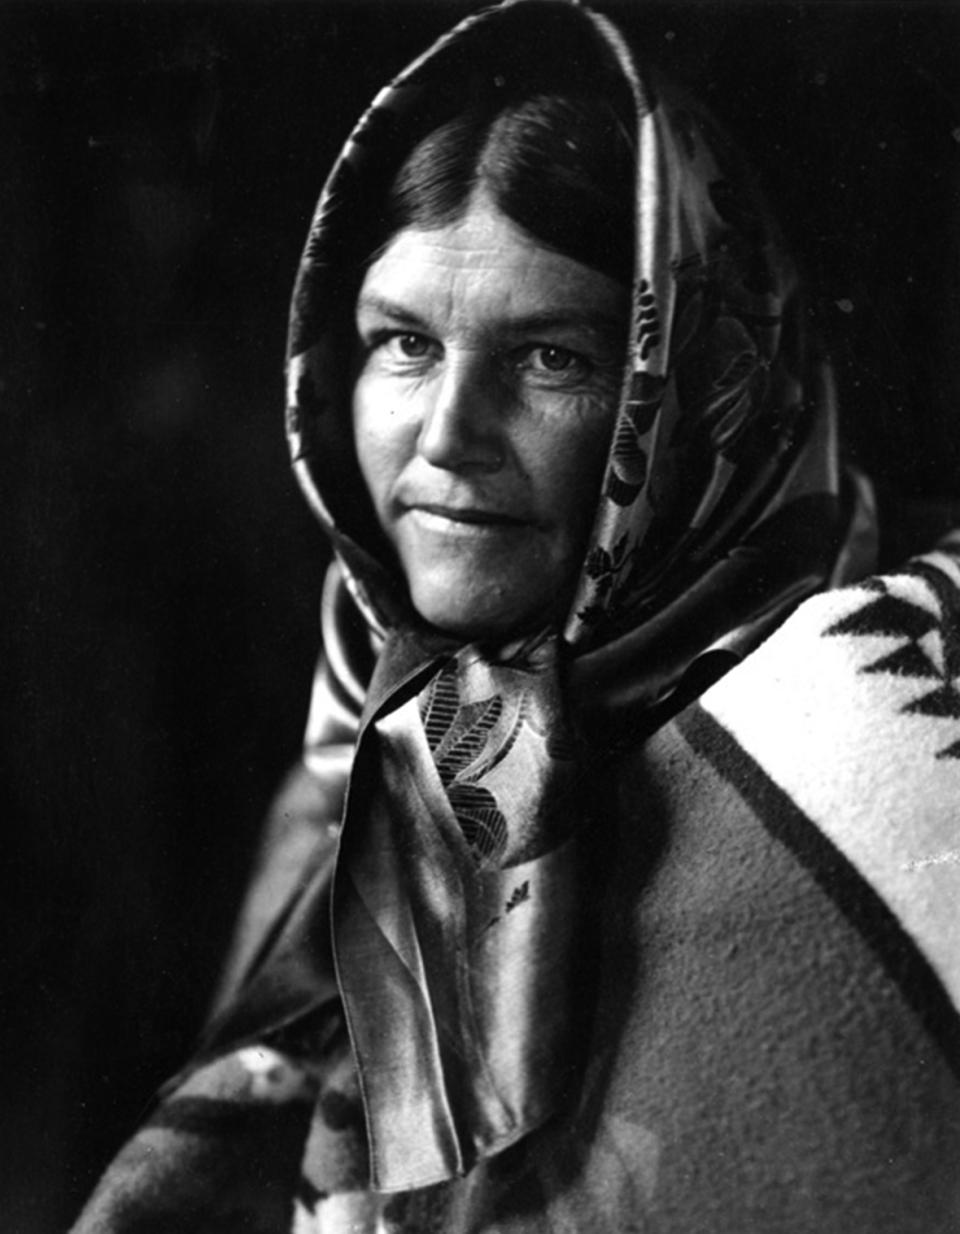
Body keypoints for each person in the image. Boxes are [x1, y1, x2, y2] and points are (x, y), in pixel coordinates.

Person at [72, 2, 960, 1230]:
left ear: (698, 385)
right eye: (403, 343)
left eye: (552, 357)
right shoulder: (379, 707)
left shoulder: (886, 716)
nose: (445, 440)